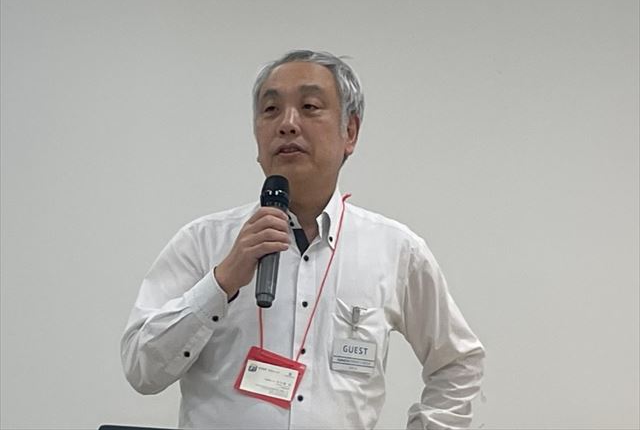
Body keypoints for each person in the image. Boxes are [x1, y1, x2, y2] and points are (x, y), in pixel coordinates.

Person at [121, 50, 485, 429]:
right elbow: (141, 369)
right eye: (271, 110)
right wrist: (220, 283)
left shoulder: (395, 250)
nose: (287, 124)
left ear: (350, 132)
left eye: (309, 107)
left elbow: (458, 362)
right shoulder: (203, 242)